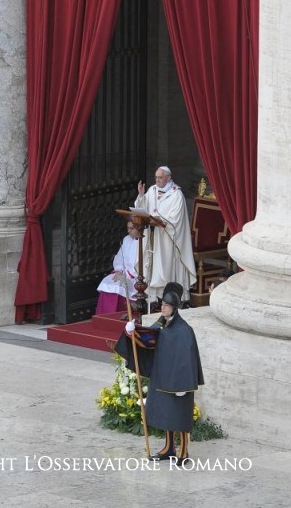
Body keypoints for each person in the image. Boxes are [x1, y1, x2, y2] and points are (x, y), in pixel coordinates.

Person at [115, 283, 204, 463]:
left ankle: (183, 451)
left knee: (179, 416)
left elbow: (188, 360)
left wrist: (184, 385)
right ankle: (169, 448)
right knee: (166, 414)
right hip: (162, 377)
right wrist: (131, 332)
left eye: (166, 305)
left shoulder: (184, 330)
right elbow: (148, 339)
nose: (162, 308)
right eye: (162, 304)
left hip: (178, 383)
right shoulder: (162, 324)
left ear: (174, 308)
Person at [133, 165, 196, 305]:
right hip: (152, 237)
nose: (157, 180)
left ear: (168, 178)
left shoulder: (176, 195)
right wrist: (141, 195)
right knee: (152, 266)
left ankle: (168, 299)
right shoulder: (152, 190)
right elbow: (142, 208)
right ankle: (152, 299)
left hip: (168, 239)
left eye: (160, 177)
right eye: (156, 177)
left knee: (166, 269)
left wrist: (161, 220)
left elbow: (176, 219)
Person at [95, 220, 139, 314]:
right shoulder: (126, 239)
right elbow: (119, 258)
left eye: (131, 228)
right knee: (108, 281)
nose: (128, 231)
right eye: (128, 228)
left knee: (120, 285)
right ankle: (105, 315)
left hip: (137, 280)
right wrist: (119, 271)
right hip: (124, 274)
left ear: (139, 228)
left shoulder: (146, 241)